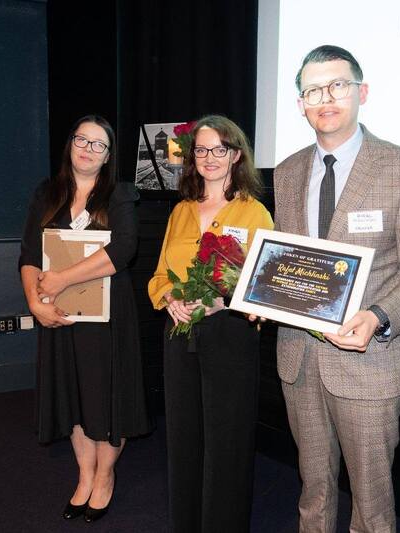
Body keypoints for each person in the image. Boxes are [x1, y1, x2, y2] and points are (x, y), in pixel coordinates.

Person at [270, 46, 400, 532]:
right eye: (312, 90)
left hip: (369, 362)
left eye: (337, 86)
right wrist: (265, 296)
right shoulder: (285, 173)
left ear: (360, 92)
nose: (324, 98)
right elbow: (289, 264)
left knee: (371, 503)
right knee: (313, 490)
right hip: (299, 358)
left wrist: (378, 317)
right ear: (300, 103)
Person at [19, 115, 152, 523]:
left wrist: (58, 280)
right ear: (70, 143)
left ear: (109, 155)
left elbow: (123, 250)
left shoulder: (120, 195)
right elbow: (27, 253)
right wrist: (36, 302)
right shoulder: (48, 192)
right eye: (82, 139)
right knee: (74, 397)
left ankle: (105, 476)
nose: (88, 149)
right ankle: (84, 474)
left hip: (108, 318)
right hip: (60, 314)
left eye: (99, 144)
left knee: (106, 397)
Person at [148, 115, 274, 532]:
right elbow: (158, 276)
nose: (210, 158)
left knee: (228, 443)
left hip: (230, 335)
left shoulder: (254, 212)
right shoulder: (181, 211)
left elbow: (267, 283)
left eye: (220, 149)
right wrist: (168, 299)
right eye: (201, 150)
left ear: (236, 155)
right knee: (183, 440)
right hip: (179, 335)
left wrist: (226, 299)